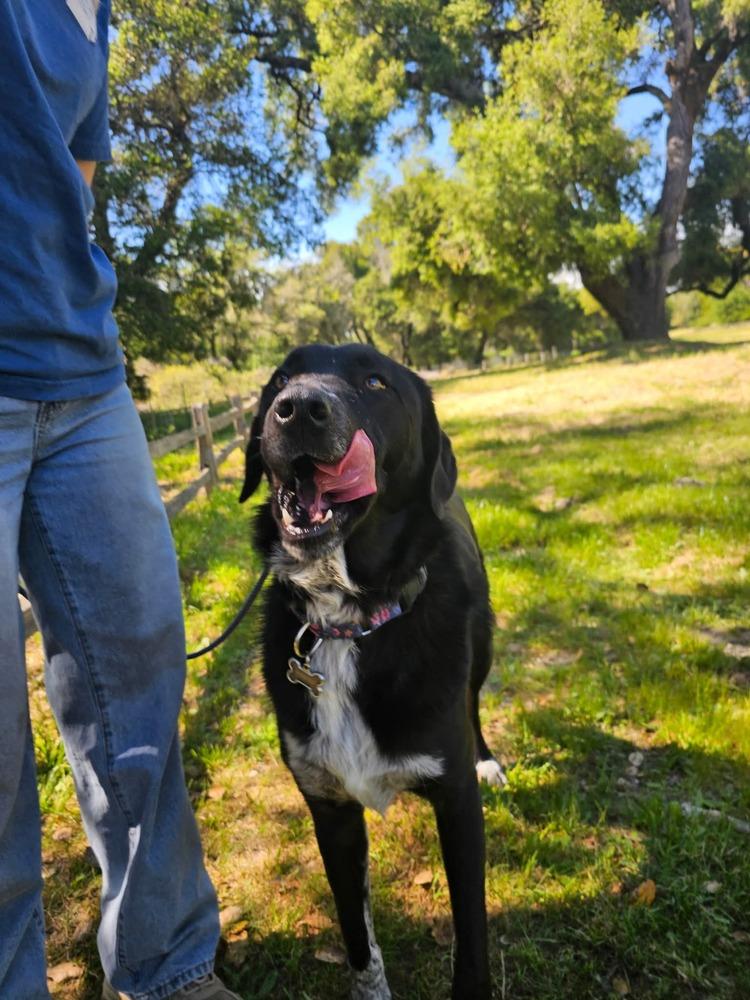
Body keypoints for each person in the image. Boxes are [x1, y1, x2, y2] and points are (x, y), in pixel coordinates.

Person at [0, 2, 241, 998]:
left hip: (82, 375)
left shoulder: (97, 10)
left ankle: (167, 958)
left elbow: (74, 177)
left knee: (137, 670)